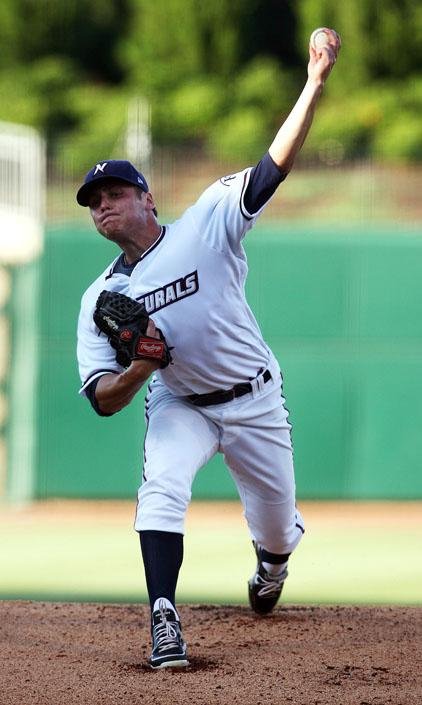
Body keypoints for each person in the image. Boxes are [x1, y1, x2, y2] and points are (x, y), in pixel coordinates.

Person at [76, 29, 340, 669]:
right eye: (93, 202)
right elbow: (103, 402)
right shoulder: (101, 298)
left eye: (114, 193)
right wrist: (141, 364)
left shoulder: (208, 219)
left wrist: (313, 83)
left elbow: (274, 164)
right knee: (160, 487)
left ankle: (270, 569)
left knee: (277, 534)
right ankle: (164, 618)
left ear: (147, 198)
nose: (103, 206)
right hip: (179, 401)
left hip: (254, 398)